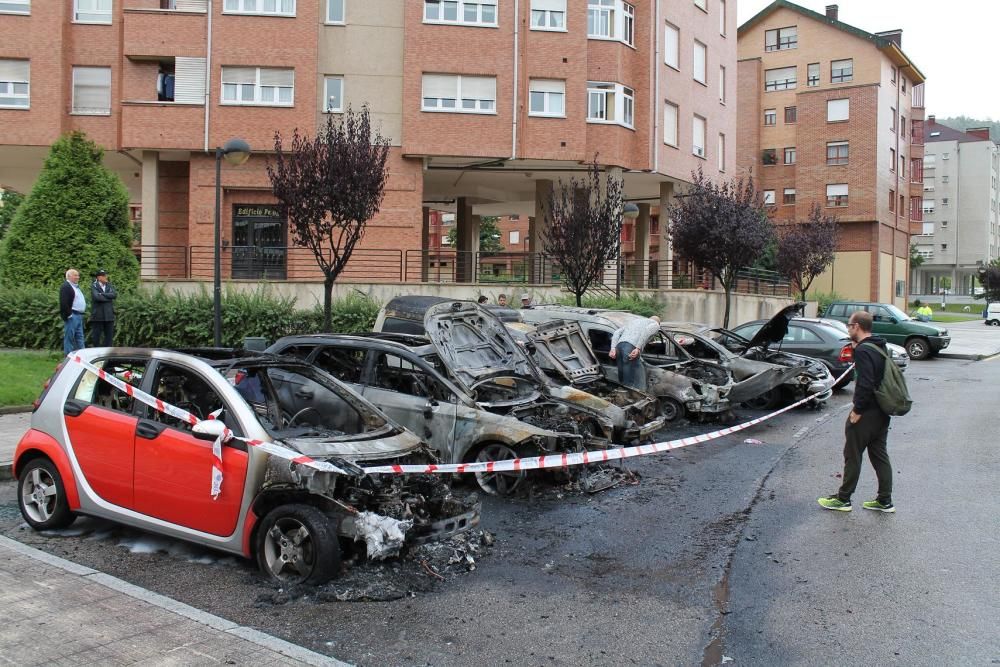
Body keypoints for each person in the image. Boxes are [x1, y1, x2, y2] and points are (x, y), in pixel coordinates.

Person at [818, 310, 895, 513]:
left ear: (857, 327)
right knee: (879, 455)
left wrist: (857, 410)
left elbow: (866, 382)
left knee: (852, 455)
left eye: (849, 325)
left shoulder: (863, 350)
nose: (848, 328)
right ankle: (884, 501)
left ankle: (843, 499)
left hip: (866, 412)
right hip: (882, 411)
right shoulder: (879, 345)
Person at [608, 315, 661, 389]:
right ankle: (635, 395)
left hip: (619, 346)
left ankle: (621, 391)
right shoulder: (655, 325)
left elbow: (617, 332)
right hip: (630, 347)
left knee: (622, 374)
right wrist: (638, 348)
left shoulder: (635, 321)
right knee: (634, 376)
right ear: (659, 323)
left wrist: (613, 348)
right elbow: (646, 332)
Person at [58, 268, 86, 354]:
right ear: (69, 276)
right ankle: (68, 357)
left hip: (79, 315)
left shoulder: (76, 287)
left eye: (78, 275)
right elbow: (64, 302)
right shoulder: (66, 287)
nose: (78, 277)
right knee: (69, 337)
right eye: (75, 275)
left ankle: (82, 355)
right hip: (72, 315)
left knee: (79, 337)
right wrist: (69, 315)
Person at [90, 269, 118, 347]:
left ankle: (107, 353)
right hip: (98, 316)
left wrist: (102, 294)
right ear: (99, 277)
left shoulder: (109, 285)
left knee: (109, 337)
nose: (106, 277)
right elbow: (97, 297)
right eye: (104, 276)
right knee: (96, 337)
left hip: (109, 315)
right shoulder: (94, 286)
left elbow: (114, 295)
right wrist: (108, 298)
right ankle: (96, 353)